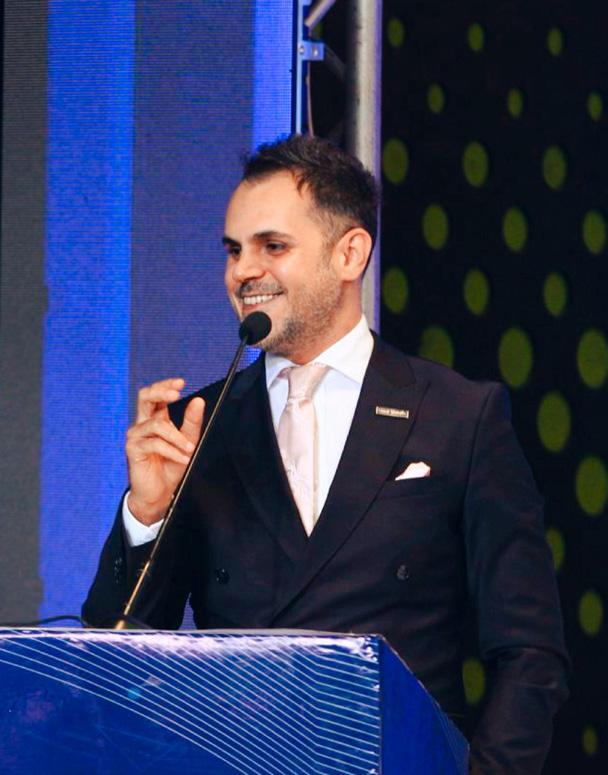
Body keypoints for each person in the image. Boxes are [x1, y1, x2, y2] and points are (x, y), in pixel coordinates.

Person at [83, 134, 568, 773]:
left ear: (350, 253)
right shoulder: (197, 426)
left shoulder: (458, 415)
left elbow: (529, 651)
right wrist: (146, 514)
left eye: (272, 246)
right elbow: (113, 661)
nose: (242, 272)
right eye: (233, 250)